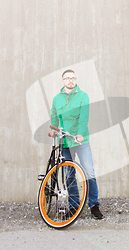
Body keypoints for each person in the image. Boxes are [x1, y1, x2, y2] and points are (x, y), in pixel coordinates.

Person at [48, 69, 103, 219]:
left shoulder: (83, 96)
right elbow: (54, 115)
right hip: (65, 141)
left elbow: (84, 118)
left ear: (76, 80)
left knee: (89, 171)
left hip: (80, 140)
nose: (70, 80)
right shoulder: (56, 99)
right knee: (68, 174)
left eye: (73, 78)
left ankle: (94, 205)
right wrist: (53, 129)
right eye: (67, 78)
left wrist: (79, 134)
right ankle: (73, 206)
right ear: (63, 81)